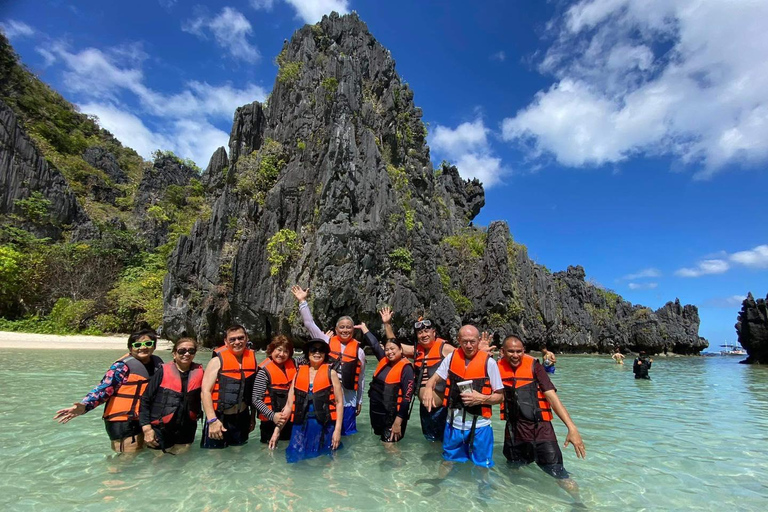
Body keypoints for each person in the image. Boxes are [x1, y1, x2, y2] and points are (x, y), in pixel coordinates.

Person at [498, 335, 586, 503]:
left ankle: (578, 503)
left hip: (541, 431)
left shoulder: (534, 367)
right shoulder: (496, 368)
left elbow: (552, 398)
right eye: (511, 351)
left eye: (519, 351)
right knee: (513, 469)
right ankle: (522, 502)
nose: (515, 355)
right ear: (502, 352)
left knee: (560, 475)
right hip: (514, 431)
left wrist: (572, 428)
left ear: (524, 351)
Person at [54, 329, 164, 453]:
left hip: (144, 418)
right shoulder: (122, 367)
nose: (143, 348)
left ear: (154, 346)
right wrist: (85, 406)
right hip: (122, 420)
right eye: (137, 345)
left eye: (148, 344)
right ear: (130, 348)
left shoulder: (158, 364)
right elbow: (103, 389)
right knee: (125, 459)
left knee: (142, 456)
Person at [423, 325, 503, 468]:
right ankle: (446, 489)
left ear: (478, 341)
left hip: (480, 427)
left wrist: (482, 398)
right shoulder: (451, 358)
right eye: (464, 341)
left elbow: (500, 397)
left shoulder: (489, 363)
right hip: (453, 426)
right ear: (458, 340)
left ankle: (483, 490)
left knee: (482, 467)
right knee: (448, 463)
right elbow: (434, 379)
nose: (468, 345)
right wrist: (429, 387)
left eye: (472, 341)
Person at [291, 285, 365, 436]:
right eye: (342, 327)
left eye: (349, 328)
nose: (345, 330)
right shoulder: (326, 341)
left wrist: (359, 401)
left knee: (348, 435)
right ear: (336, 330)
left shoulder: (360, 351)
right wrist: (303, 302)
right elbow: (309, 324)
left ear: (353, 330)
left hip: (348, 400)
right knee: (326, 435)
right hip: (327, 397)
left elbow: (361, 378)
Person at [380, 308, 454, 441]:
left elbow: (465, 356)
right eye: (420, 332)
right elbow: (394, 345)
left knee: (443, 443)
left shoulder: (445, 349)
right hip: (425, 409)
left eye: (426, 331)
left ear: (434, 332)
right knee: (430, 442)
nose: (423, 334)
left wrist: (480, 351)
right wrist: (387, 324)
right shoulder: (416, 351)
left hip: (442, 409)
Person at [270, 339, 344, 463]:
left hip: (324, 426)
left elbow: (339, 403)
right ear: (308, 353)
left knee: (324, 461)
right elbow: (289, 406)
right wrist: (277, 430)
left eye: (321, 350)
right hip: (301, 425)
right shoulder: (298, 374)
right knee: (295, 460)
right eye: (313, 350)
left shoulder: (332, 374)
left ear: (325, 354)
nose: (317, 353)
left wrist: (337, 430)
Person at [139, 337, 203, 454]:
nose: (187, 354)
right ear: (174, 353)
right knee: (158, 463)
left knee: (181, 462)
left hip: (186, 428)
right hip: (161, 428)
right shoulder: (162, 371)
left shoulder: (200, 372)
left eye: (191, 351)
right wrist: (147, 428)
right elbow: (145, 400)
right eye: (182, 351)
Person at [200, 325, 258, 448]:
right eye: (232, 339)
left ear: (247, 339)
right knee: (216, 457)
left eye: (240, 338)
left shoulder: (252, 360)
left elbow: (252, 392)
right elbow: (205, 392)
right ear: (226, 342)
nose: (237, 342)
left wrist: (252, 418)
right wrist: (212, 421)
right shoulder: (216, 361)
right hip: (219, 418)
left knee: (238, 456)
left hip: (242, 418)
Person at [358, 322, 415, 442]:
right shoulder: (384, 361)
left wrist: (398, 422)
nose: (390, 352)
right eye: (387, 349)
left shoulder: (406, 369)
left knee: (390, 448)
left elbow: (406, 398)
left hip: (393, 416)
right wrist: (364, 328)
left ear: (400, 350)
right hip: (378, 413)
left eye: (393, 349)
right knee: (383, 446)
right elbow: (374, 344)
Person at [252, 335, 306, 444]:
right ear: (272, 350)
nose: (281, 354)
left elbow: (312, 355)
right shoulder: (264, 372)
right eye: (279, 350)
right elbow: (256, 399)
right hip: (271, 422)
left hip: (291, 420)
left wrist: (324, 339)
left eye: (286, 351)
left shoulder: (295, 363)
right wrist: (273, 416)